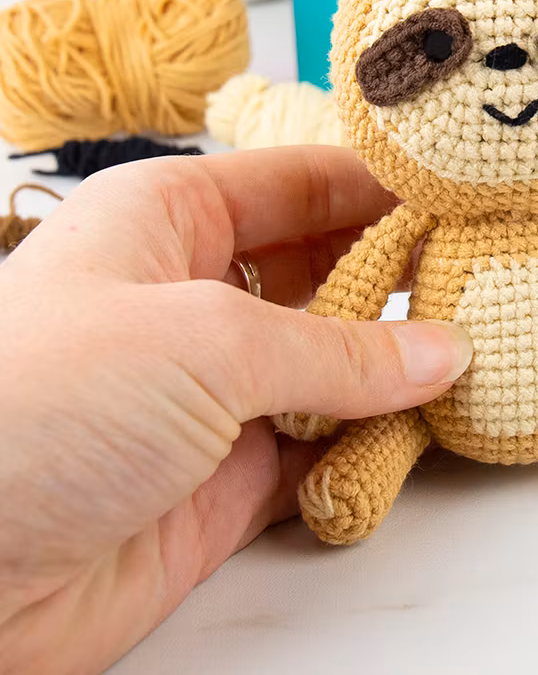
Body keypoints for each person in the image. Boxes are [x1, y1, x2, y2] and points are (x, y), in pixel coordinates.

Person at [0, 147, 474, 674]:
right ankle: (352, 479)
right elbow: (357, 286)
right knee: (392, 424)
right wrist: (346, 364)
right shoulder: (411, 221)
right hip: (426, 402)